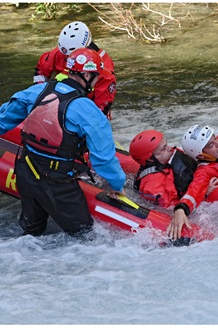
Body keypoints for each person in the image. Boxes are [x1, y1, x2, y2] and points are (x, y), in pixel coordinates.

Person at [0, 48, 126, 237]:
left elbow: (3, 119)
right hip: (58, 182)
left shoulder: (35, 91)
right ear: (85, 74)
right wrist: (117, 185)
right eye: (96, 76)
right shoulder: (89, 112)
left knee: (32, 231)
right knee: (85, 236)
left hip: (25, 170)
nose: (98, 80)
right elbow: (103, 159)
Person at [129, 129, 218, 208]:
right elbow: (173, 211)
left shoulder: (170, 155)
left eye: (166, 144)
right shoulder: (155, 185)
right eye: (164, 149)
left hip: (201, 184)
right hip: (197, 199)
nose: (170, 148)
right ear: (150, 159)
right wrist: (204, 194)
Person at [34, 21, 117, 119]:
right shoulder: (62, 52)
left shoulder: (103, 69)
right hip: (56, 102)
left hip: (86, 106)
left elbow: (100, 109)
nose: (67, 58)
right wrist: (41, 94)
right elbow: (42, 70)